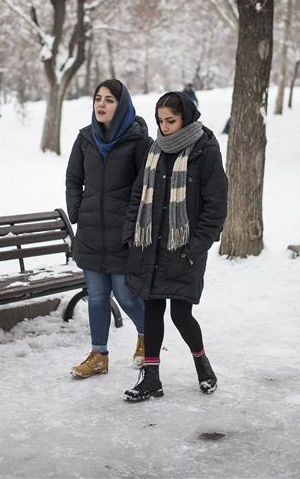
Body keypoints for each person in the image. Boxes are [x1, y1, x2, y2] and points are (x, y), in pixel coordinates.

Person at [122, 91, 227, 401]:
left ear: (187, 118)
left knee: (181, 315)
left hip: (183, 250)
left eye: (171, 120)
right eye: (160, 121)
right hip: (150, 247)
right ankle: (151, 378)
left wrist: (194, 249)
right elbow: (136, 196)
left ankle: (202, 364)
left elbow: (215, 207)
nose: (164, 127)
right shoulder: (155, 151)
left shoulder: (205, 151)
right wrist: (131, 235)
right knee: (152, 311)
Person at [66, 79, 151, 379]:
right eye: (98, 98)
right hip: (91, 233)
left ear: (122, 105)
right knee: (98, 296)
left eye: (109, 100)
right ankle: (98, 355)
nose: (101, 104)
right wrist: (77, 211)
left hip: (122, 234)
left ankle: (147, 337)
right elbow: (73, 178)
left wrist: (132, 224)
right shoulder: (85, 138)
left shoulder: (139, 141)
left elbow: (146, 188)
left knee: (126, 295)